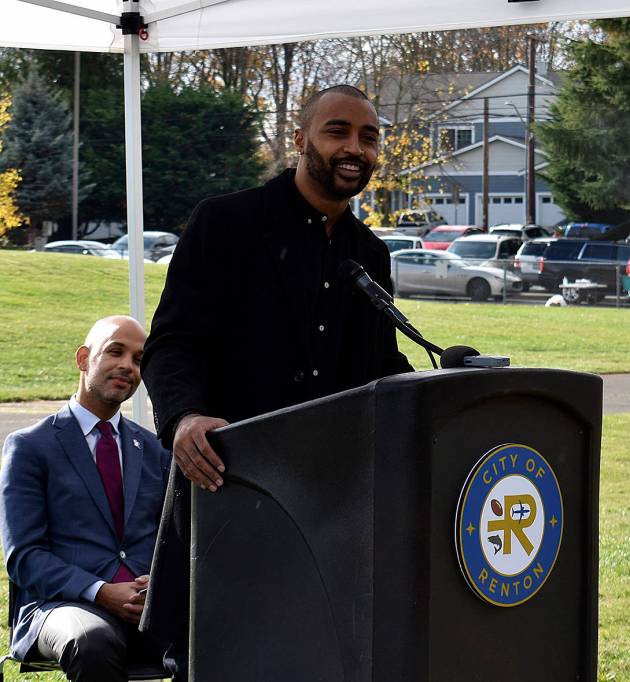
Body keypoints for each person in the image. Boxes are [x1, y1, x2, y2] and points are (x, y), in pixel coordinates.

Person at [139, 84, 414, 662]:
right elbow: (171, 343)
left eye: (368, 137)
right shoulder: (226, 223)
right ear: (299, 140)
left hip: (334, 514)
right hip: (231, 495)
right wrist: (184, 417)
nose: (355, 148)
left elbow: (381, 367)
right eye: (337, 131)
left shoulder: (370, 253)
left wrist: (441, 392)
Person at [0, 316, 172, 681]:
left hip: (147, 604)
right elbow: (25, 557)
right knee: (90, 639)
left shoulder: (156, 451)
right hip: (62, 605)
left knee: (224, 624)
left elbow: (169, 541)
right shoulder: (30, 447)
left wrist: (153, 584)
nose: (127, 365)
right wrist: (100, 591)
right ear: (83, 358)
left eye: (139, 359)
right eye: (115, 351)